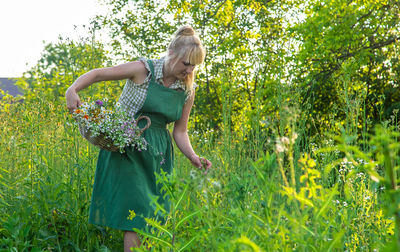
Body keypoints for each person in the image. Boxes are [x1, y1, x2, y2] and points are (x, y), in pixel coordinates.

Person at [65, 25, 212, 250]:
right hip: (128, 146)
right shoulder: (143, 70)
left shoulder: (187, 90)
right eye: (186, 63)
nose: (190, 70)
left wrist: (193, 156)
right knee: (136, 214)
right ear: (172, 55)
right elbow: (99, 74)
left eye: (194, 65)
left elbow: (180, 131)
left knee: (155, 216)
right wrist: (72, 90)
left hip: (159, 156)